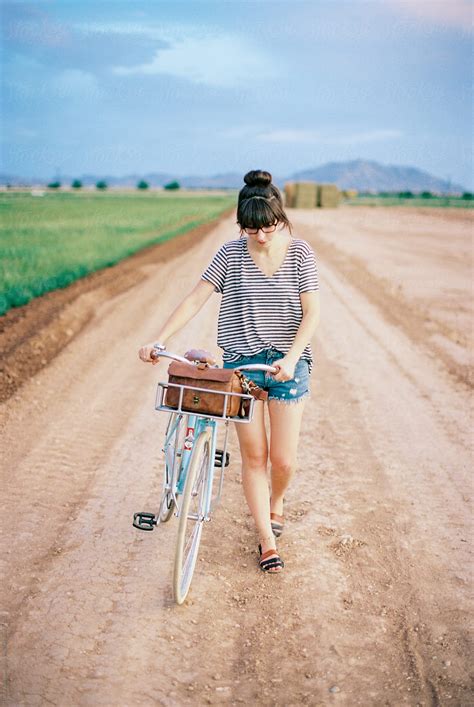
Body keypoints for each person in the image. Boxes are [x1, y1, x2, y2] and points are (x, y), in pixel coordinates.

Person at [138, 169, 320, 573]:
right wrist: (159, 338)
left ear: (281, 218)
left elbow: (312, 314)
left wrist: (291, 358)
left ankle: (277, 501)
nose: (261, 236)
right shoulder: (230, 254)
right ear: (242, 225)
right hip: (242, 367)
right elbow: (195, 298)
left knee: (283, 461)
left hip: (288, 366)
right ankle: (266, 541)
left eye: (269, 227)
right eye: (251, 228)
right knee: (254, 458)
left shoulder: (301, 253)